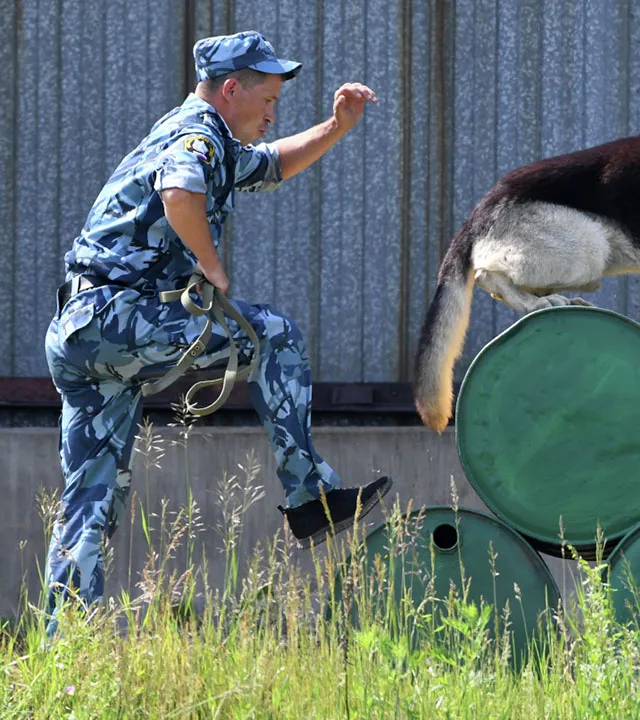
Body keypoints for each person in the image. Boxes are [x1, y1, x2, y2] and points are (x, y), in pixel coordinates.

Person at [42, 30, 392, 636]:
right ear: (232, 89)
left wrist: (336, 127)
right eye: (269, 100)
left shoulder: (208, 138)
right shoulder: (198, 135)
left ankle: (62, 647)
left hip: (81, 336)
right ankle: (310, 499)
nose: (272, 112)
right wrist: (211, 264)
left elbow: (274, 165)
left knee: (89, 503)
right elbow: (180, 193)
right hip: (115, 317)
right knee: (272, 335)